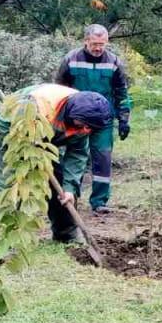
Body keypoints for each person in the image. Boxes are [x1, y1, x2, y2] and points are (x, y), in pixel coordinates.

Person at [0, 84, 113, 242]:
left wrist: (69, 189)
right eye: (84, 125)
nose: (86, 130)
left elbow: (77, 154)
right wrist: (32, 151)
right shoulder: (38, 104)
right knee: (7, 181)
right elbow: (14, 129)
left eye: (91, 128)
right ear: (71, 113)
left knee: (61, 183)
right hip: (9, 129)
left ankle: (67, 234)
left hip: (45, 135)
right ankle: (3, 237)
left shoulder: (87, 115)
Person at [55, 24, 131, 214]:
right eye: (94, 44)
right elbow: (59, 89)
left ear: (107, 42)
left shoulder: (113, 62)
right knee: (75, 155)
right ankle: (72, 196)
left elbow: (121, 92)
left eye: (102, 44)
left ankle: (99, 201)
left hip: (103, 119)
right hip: (76, 118)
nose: (98, 48)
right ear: (85, 41)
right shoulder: (71, 60)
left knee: (103, 157)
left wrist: (124, 119)